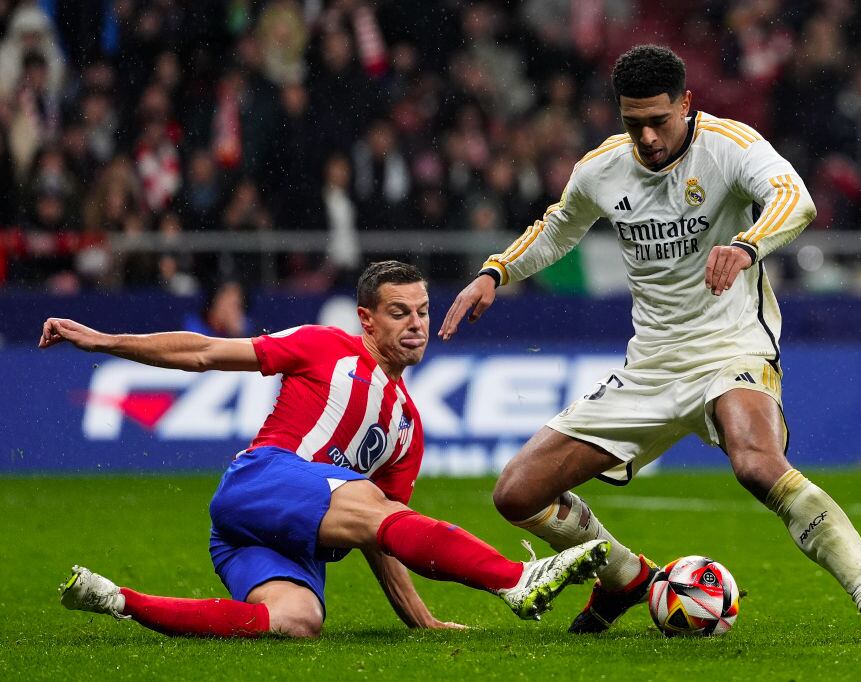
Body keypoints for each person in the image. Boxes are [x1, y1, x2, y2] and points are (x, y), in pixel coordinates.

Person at [439, 45, 861, 645]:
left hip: (730, 350)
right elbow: (560, 225)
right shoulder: (603, 168)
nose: (646, 136)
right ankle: (626, 577)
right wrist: (495, 272)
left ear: (686, 104)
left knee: (757, 464)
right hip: (651, 368)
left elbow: (796, 199)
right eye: (631, 122)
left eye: (658, 121)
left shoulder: (730, 146)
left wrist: (746, 245)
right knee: (516, 493)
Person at [42, 260, 609, 638]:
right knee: (370, 502)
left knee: (297, 621)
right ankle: (514, 578)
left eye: (422, 312)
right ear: (365, 318)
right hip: (259, 482)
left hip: (281, 540)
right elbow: (206, 353)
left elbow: (384, 535)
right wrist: (104, 340)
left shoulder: (408, 427)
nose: (416, 325)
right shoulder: (323, 346)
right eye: (398, 312)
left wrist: (422, 620)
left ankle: (117, 599)